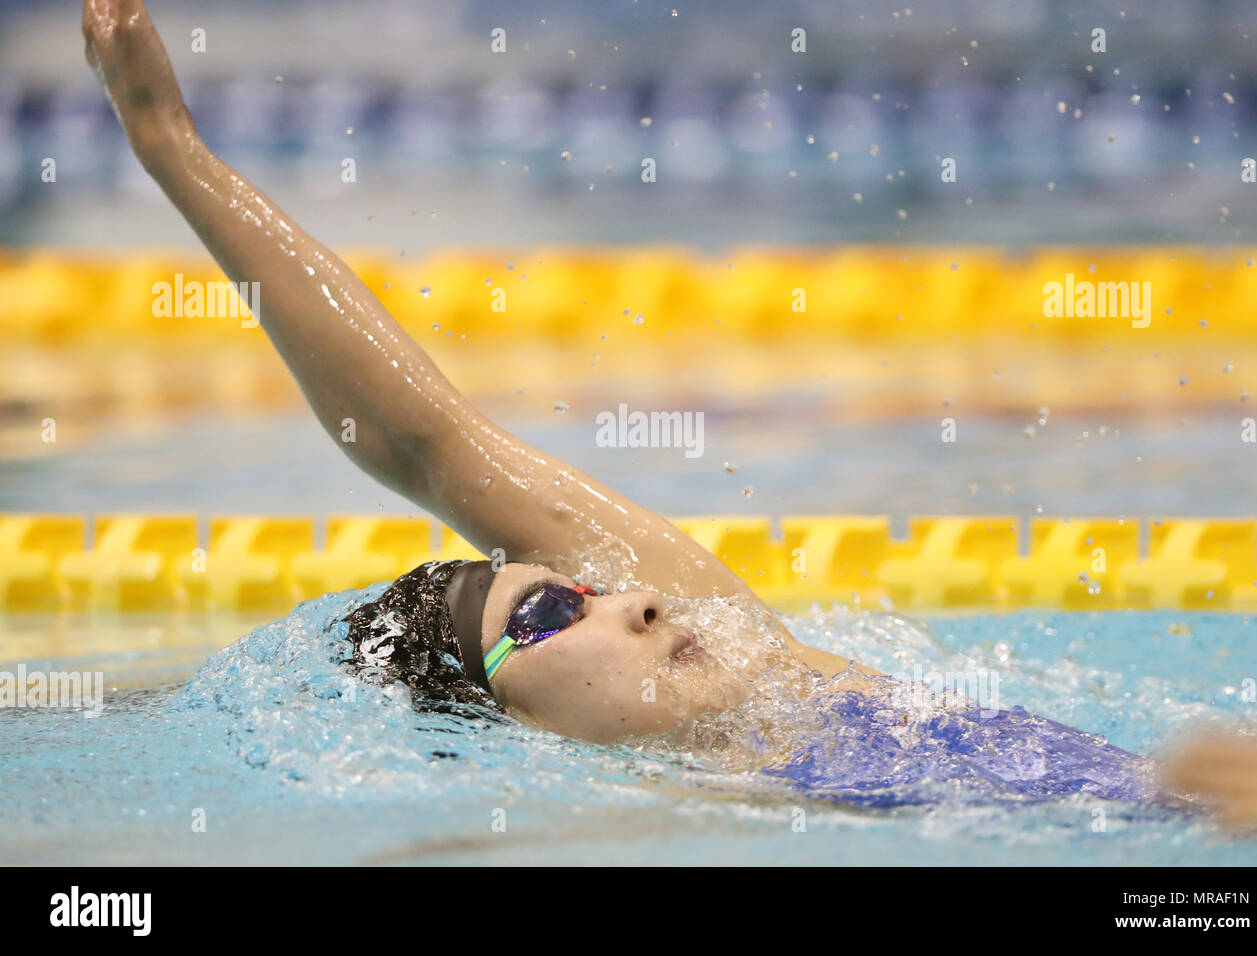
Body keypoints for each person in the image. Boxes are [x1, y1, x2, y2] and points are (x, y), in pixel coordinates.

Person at [83, 0, 1157, 804]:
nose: (639, 599)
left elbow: (429, 440)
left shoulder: (760, 668)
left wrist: (167, 139)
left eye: (582, 587)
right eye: (550, 615)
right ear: (501, 729)